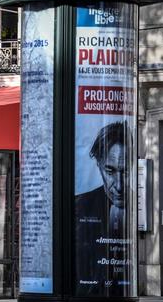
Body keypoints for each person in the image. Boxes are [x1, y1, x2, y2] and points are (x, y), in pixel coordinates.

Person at [75, 120, 131, 296]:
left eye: (126, 171)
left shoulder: (138, 203)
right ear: (98, 164)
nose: (120, 186)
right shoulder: (79, 205)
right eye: (110, 171)